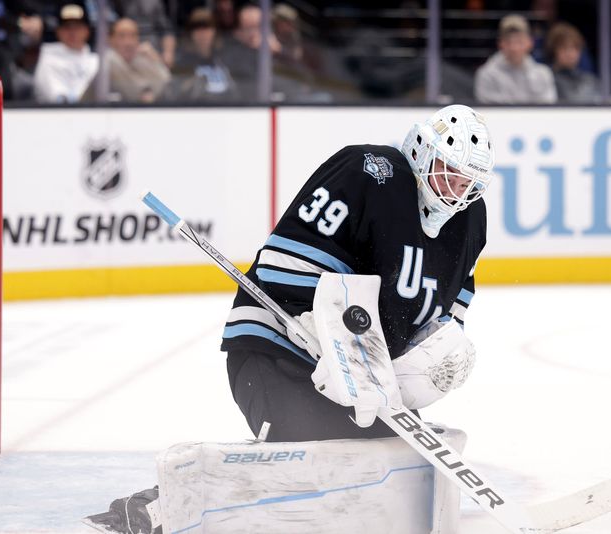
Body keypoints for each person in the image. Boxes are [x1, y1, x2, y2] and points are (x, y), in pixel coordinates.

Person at [85, 104, 494, 533]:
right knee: (322, 453)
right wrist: (329, 328)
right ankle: (157, 506)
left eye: (468, 181)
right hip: (277, 353)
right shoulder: (369, 173)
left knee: (388, 456)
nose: (456, 189)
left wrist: (431, 356)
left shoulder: (470, 222)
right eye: (448, 172)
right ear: (420, 151)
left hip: (357, 384)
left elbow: (449, 310)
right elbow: (284, 267)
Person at [474, 14, 556, 104]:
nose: (514, 47)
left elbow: (548, 108)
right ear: (500, 43)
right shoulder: (486, 75)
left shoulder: (543, 74)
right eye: (508, 41)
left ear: (530, 43)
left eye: (519, 41)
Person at [84, 17, 170, 102]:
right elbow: (142, 99)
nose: (128, 42)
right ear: (111, 39)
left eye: (133, 35)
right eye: (122, 36)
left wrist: (156, 60)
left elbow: (167, 84)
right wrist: (145, 93)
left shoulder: (141, 60)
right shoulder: (102, 60)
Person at [166, 7, 237, 102]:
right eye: (198, 29)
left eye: (207, 28)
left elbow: (235, 92)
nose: (203, 34)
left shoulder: (225, 59)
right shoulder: (182, 63)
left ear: (214, 32)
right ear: (191, 33)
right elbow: (178, 93)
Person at [32, 3, 98, 103]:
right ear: (58, 31)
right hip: (57, 115)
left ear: (87, 31)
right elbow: (57, 98)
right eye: (67, 27)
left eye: (77, 27)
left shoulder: (96, 60)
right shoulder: (48, 58)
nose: (72, 32)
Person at [546, 22, 601, 103]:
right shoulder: (546, 79)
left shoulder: (590, 81)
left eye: (575, 48)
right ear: (554, 50)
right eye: (564, 48)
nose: (570, 54)